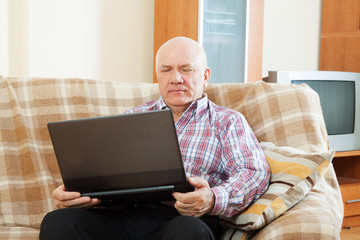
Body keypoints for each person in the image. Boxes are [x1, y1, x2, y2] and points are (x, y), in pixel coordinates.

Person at [40, 37, 270, 240]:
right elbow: (106, 174)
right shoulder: (133, 117)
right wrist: (76, 193)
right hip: (121, 215)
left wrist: (212, 198)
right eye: (166, 70)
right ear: (158, 75)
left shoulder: (227, 121)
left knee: (189, 232)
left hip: (181, 217)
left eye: (186, 69)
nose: (176, 78)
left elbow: (254, 172)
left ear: (205, 76)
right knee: (58, 221)